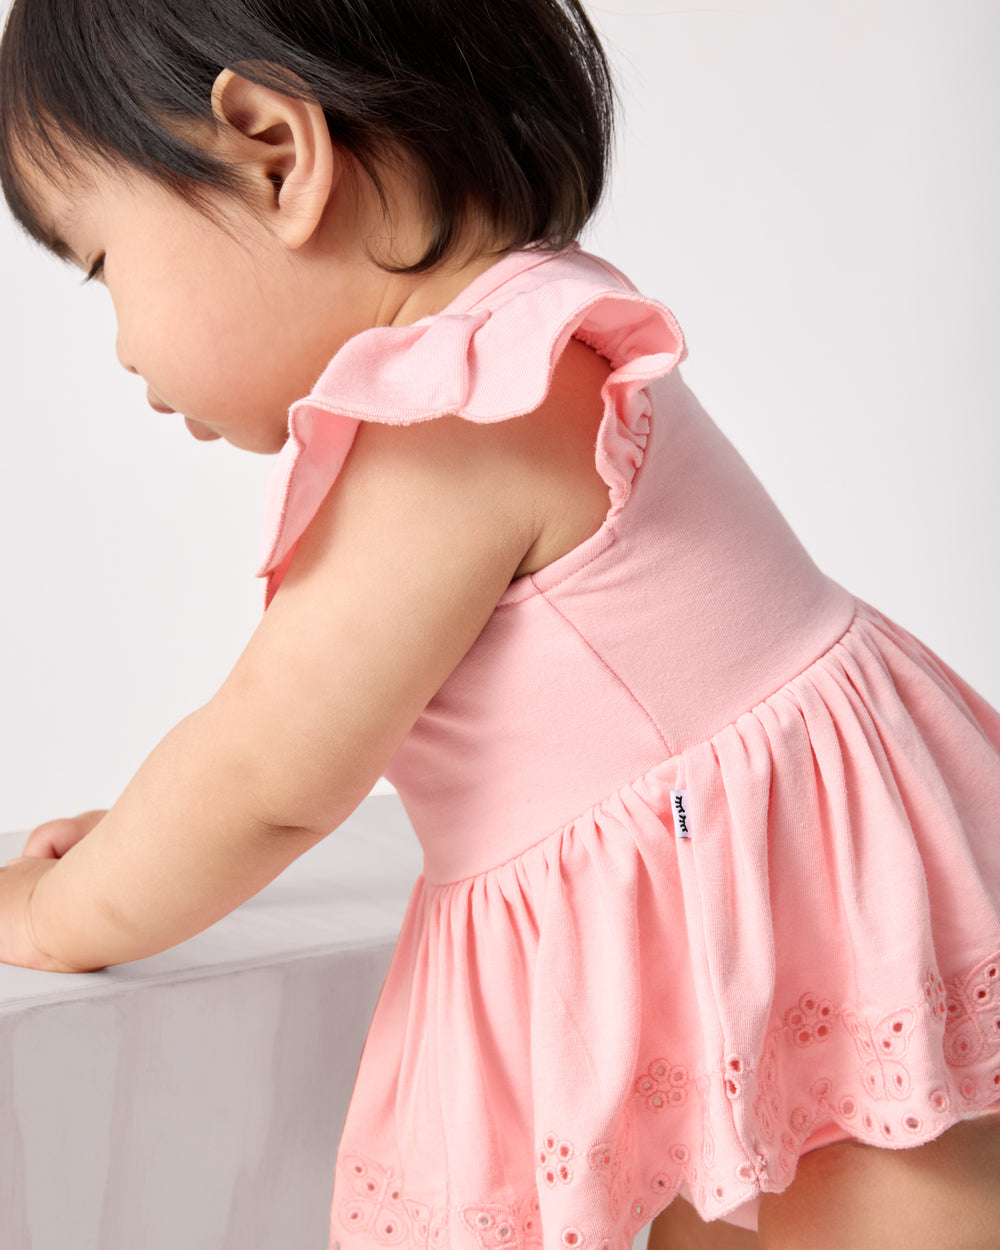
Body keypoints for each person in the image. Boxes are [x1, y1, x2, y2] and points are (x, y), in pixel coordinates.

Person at [0, 1, 998, 1246]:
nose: (120, 346)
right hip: (744, 893)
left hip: (774, 913)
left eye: (102, 267)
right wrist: (154, 837)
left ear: (275, 154)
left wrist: (57, 909)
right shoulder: (516, 345)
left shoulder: (461, 414)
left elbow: (266, 769)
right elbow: (315, 747)